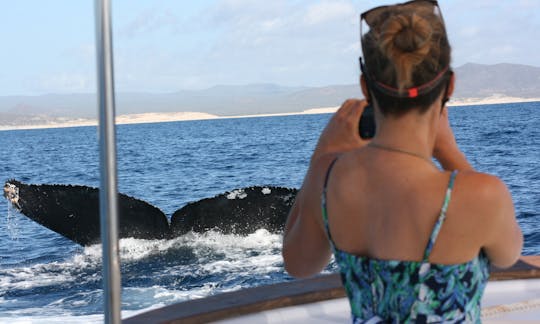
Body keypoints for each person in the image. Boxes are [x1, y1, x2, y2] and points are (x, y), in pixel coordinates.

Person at [282, 0, 523, 322]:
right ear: (449, 85)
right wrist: (448, 151)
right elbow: (508, 255)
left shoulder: (327, 176)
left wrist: (322, 153)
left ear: (366, 86)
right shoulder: (480, 194)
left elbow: (299, 265)